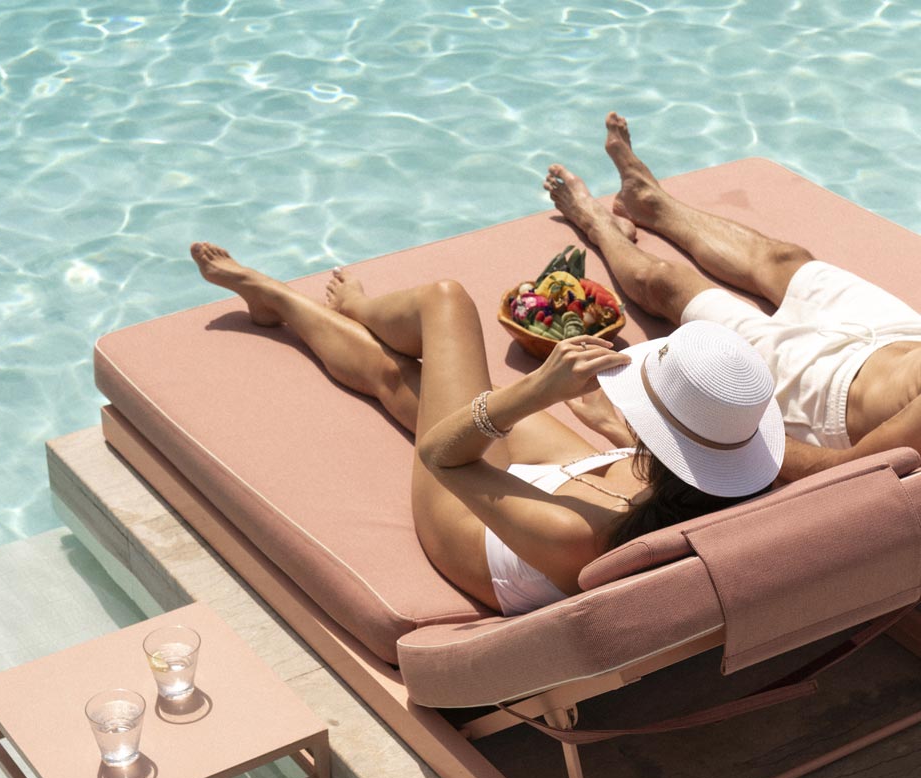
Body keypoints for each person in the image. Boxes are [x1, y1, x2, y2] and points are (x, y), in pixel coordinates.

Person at [190, 242, 783, 616]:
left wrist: (533, 392)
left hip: (491, 538)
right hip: (613, 495)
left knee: (440, 309)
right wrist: (628, 440)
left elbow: (441, 455)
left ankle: (316, 304)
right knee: (421, 388)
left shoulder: (573, 536)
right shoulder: (725, 495)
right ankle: (284, 303)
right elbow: (665, 479)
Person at [543, 112, 921, 482]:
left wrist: (737, 442)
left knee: (666, 282)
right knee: (786, 259)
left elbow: (852, 472)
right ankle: (652, 203)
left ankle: (598, 224)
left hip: (822, 392)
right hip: (896, 335)